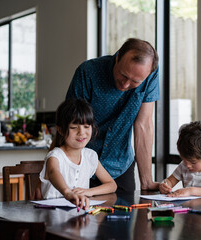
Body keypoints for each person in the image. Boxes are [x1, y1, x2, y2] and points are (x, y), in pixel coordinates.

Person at [66, 38, 160, 192]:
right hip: (81, 165)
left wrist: (147, 181)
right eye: (123, 75)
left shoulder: (151, 76)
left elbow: (144, 125)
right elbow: (69, 125)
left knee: (127, 214)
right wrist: (52, 176)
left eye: (135, 82)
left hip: (120, 166)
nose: (125, 85)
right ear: (117, 57)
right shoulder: (88, 72)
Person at [39, 98, 117, 209]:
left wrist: (89, 192)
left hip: (79, 215)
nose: (81, 133)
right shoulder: (55, 156)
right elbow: (53, 172)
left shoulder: (90, 156)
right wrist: (67, 193)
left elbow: (111, 185)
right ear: (60, 130)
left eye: (86, 126)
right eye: (74, 127)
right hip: (54, 216)